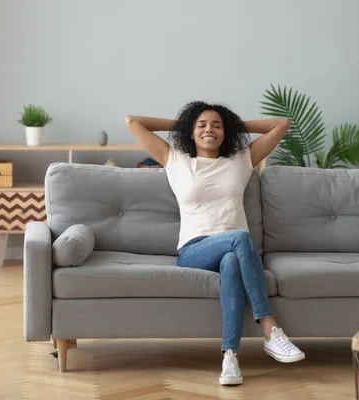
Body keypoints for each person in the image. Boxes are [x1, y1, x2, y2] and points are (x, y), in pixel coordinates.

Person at [125, 101, 305, 386]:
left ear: (226, 133)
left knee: (232, 261)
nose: (210, 130)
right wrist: (185, 122)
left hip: (234, 252)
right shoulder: (175, 160)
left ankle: (230, 356)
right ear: (191, 131)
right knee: (240, 237)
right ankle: (270, 329)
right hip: (194, 250)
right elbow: (133, 120)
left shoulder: (241, 160)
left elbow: (281, 124)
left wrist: (231, 123)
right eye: (202, 125)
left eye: (217, 126)